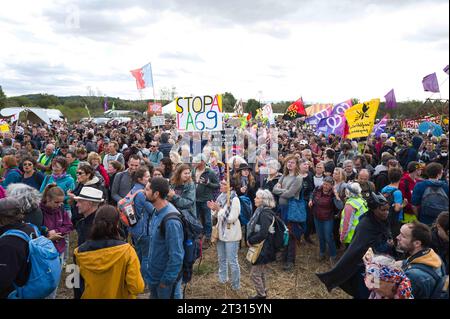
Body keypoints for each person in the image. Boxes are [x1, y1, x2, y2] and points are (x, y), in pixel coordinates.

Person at [317, 192, 393, 299]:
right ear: (373, 209)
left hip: (379, 267)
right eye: (383, 210)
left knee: (375, 292)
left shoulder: (382, 221)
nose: (386, 213)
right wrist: (387, 246)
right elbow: (366, 250)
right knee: (365, 292)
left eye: (387, 209)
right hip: (365, 268)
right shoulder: (366, 225)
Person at [74, 205, 145, 299]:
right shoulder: (127, 251)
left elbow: (74, 284)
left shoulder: (78, 252)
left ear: (94, 222)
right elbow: (137, 288)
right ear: (116, 224)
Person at [144, 177, 184, 299]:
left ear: (156, 194)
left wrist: (166, 281)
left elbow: (176, 255)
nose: (143, 192)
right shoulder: (156, 211)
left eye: (147, 189)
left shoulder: (171, 221)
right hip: (154, 277)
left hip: (163, 281)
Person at [0, 198, 39, 299]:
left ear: (2, 217)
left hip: (15, 292)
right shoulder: (30, 228)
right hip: (31, 283)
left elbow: (3, 279)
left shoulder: (8, 242)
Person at [207, 180, 242, 292]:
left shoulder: (234, 199)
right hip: (221, 232)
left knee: (232, 260)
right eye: (221, 183)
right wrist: (213, 209)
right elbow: (217, 215)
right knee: (221, 258)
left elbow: (231, 218)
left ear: (230, 187)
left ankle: (235, 285)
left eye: (224, 184)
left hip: (231, 233)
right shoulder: (221, 197)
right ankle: (223, 280)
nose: (220, 185)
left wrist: (218, 210)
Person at [397, 221, 447, 299]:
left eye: (403, 236)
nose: (397, 237)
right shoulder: (435, 258)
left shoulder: (412, 276)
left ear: (417, 243)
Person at [40, 184, 73, 298]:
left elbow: (68, 225)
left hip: (59, 250)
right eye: (56, 202)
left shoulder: (61, 209)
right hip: (43, 252)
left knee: (54, 282)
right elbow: (36, 230)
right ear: (47, 199)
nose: (59, 205)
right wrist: (47, 234)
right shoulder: (38, 211)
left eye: (61, 202)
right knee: (43, 281)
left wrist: (57, 231)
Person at [272, 155, 302, 271]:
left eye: (292, 162)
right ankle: (283, 255)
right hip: (281, 208)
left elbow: (290, 194)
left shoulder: (298, 178)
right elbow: (274, 189)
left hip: (291, 208)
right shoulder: (283, 176)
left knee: (291, 234)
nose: (290, 164)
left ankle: (290, 260)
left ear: (296, 165)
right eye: (288, 162)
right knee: (283, 232)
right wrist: (284, 191)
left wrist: (281, 191)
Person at [246, 189, 277, 299]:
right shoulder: (261, 211)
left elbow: (263, 233)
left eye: (257, 198)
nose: (255, 199)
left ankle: (261, 295)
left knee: (255, 274)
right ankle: (263, 292)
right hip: (264, 247)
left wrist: (251, 240)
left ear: (264, 200)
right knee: (261, 272)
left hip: (263, 248)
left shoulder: (265, 214)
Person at [128, 167, 154, 275]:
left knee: (138, 255)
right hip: (144, 230)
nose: (150, 178)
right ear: (140, 179)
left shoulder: (134, 189)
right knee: (146, 257)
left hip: (134, 227)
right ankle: (144, 281)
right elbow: (152, 210)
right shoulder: (142, 193)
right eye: (147, 176)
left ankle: (136, 278)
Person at [309, 176, 338, 265]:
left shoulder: (332, 194)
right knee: (320, 236)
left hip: (327, 218)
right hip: (317, 216)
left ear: (331, 186)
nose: (325, 186)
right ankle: (322, 252)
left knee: (328, 237)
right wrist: (310, 200)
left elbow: (340, 206)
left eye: (327, 185)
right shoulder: (318, 189)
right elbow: (312, 194)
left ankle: (333, 255)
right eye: (324, 183)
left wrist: (336, 194)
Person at [192, 154, 220, 246]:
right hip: (196, 199)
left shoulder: (210, 172)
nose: (195, 162)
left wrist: (208, 183)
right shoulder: (193, 170)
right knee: (196, 218)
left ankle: (208, 237)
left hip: (206, 200)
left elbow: (217, 185)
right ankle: (198, 235)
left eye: (197, 161)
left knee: (208, 220)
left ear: (203, 162)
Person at [340, 183, 368, 247]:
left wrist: (342, 237)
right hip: (361, 235)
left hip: (352, 238)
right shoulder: (361, 200)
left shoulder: (350, 205)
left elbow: (347, 224)